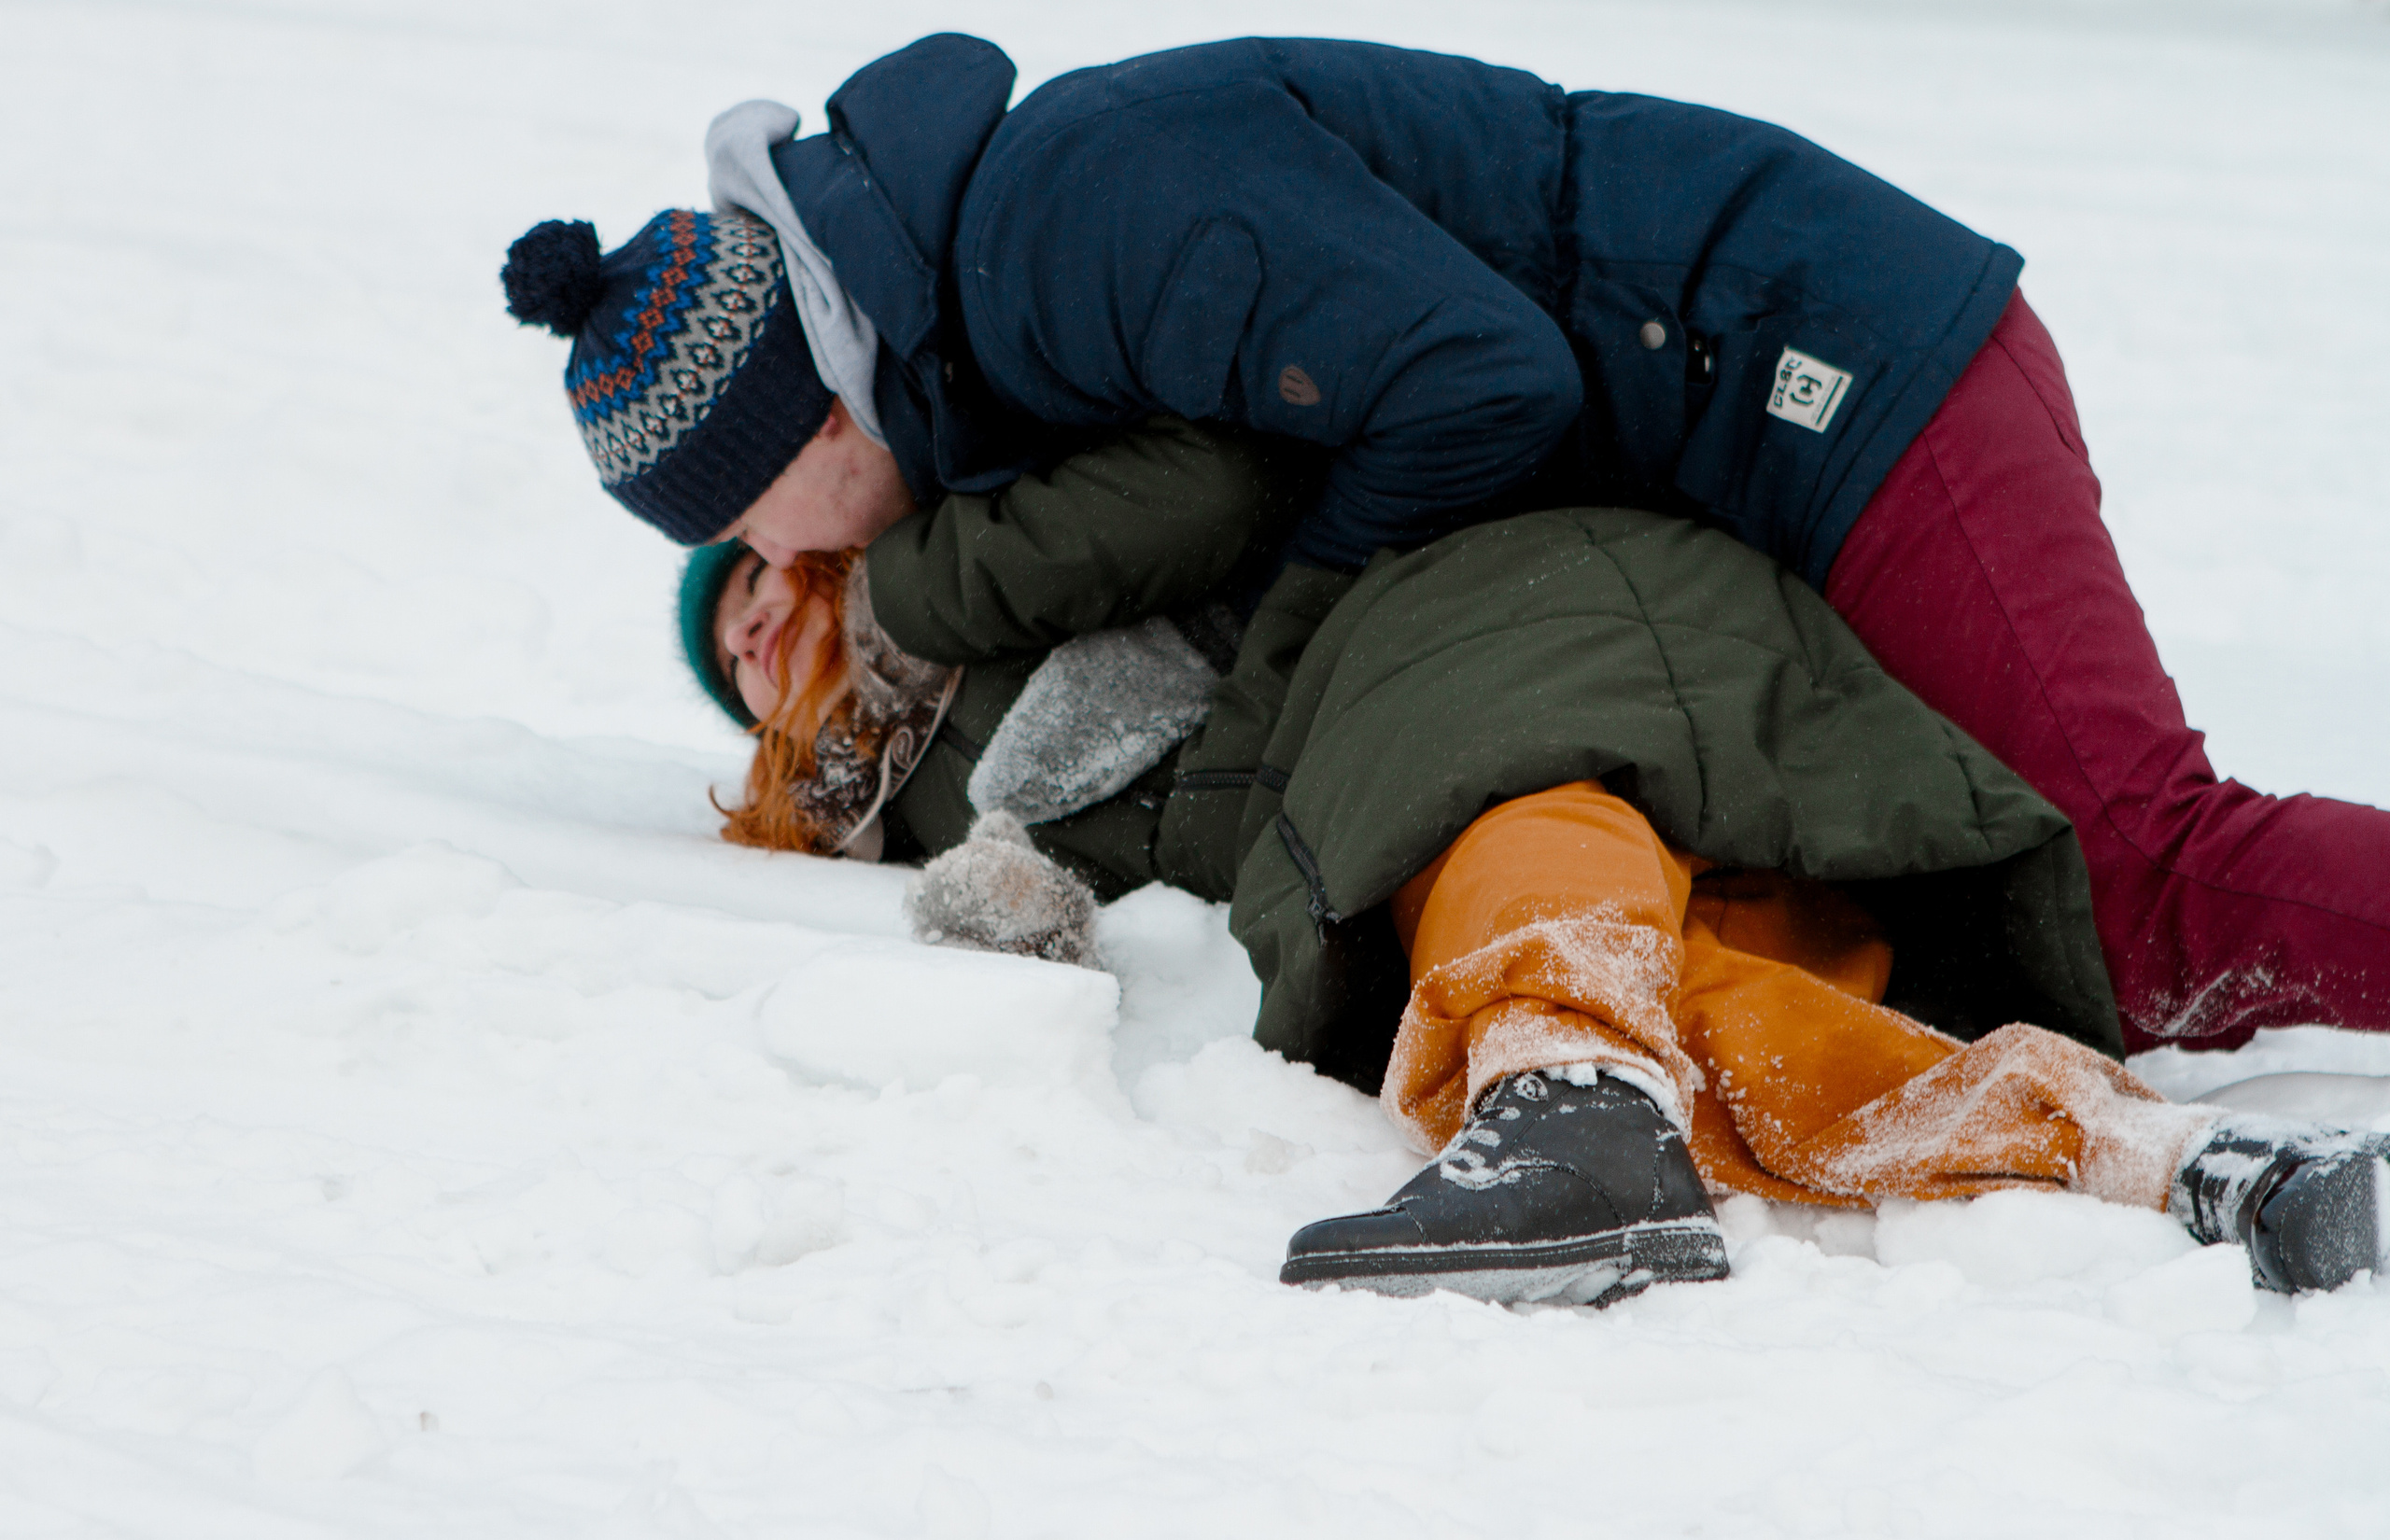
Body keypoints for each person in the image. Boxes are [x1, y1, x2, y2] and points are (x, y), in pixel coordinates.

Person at [504, 34, 2390, 1051]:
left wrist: (1305, 654)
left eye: (751, 528)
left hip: (1819, 364)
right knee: (1998, 909)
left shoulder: (1061, 217)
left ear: (807, 421)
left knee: (2139, 891)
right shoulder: (1000, 291)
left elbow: (1477, 382)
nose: (782, 571)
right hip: (1755, 401)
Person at [668, 420, 2389, 1307]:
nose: (751, 642)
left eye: (752, 592)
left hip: (1481, 648)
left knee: (1507, 839)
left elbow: (1214, 521)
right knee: (1714, 1002)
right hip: (1407, 792)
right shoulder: (889, 799)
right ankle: (2181, 1165)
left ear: (818, 563)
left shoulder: (971, 577)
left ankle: (1565, 1087)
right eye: (723, 659)